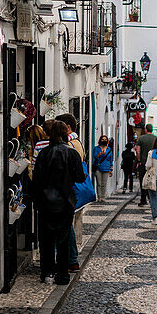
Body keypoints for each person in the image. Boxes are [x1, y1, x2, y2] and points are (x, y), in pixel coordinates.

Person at [30, 120, 84, 285]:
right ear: (66, 134)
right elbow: (80, 177)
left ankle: (47, 274)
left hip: (46, 202)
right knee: (63, 239)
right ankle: (62, 275)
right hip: (65, 202)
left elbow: (36, 178)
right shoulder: (72, 153)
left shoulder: (43, 153)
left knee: (46, 240)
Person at [56, 112, 85, 271]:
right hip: (70, 191)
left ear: (67, 127)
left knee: (66, 226)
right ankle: (71, 259)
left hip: (67, 190)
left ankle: (70, 259)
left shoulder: (71, 145)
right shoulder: (77, 142)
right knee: (68, 226)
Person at [136, 123, 156, 205]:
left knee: (143, 181)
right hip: (154, 164)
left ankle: (143, 199)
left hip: (143, 163)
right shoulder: (156, 138)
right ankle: (152, 198)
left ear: (145, 129)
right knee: (152, 180)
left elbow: (138, 150)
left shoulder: (141, 138)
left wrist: (139, 160)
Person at [92, 135, 113, 201]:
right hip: (98, 167)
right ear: (100, 140)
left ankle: (103, 197)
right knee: (99, 183)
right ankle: (99, 197)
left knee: (104, 183)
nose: (104, 140)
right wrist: (100, 154)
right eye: (102, 139)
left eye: (105, 139)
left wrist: (111, 170)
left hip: (106, 168)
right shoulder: (96, 148)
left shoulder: (109, 149)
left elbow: (111, 160)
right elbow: (95, 156)